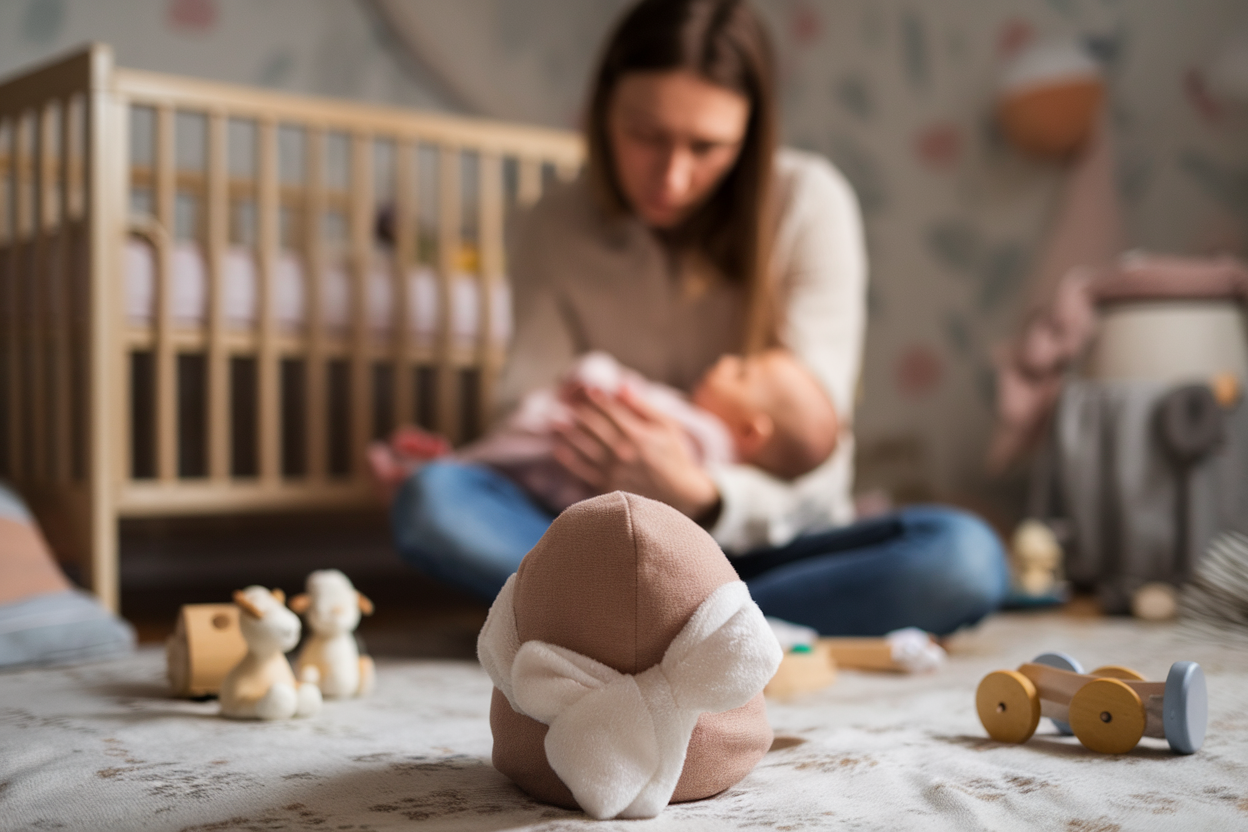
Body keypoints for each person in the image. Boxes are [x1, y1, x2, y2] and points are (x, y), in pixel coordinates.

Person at [387, 0, 1008, 636]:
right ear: (603, 113)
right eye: (645, 135)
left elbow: (818, 462)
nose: (673, 177)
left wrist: (705, 496)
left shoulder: (807, 204)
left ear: (749, 136)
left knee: (961, 557)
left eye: (707, 147)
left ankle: (626, 627)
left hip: (762, 545)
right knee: (433, 503)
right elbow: (529, 410)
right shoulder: (552, 226)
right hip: (604, 540)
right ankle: (716, 633)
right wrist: (472, 461)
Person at [370, 347, 838, 514]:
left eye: (741, 373)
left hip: (564, 459)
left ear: (751, 433)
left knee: (509, 453)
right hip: (570, 495)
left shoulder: (704, 435)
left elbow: (628, 395)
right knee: (498, 464)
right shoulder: (708, 434)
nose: (725, 361)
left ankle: (440, 466)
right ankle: (442, 468)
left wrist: (595, 372)